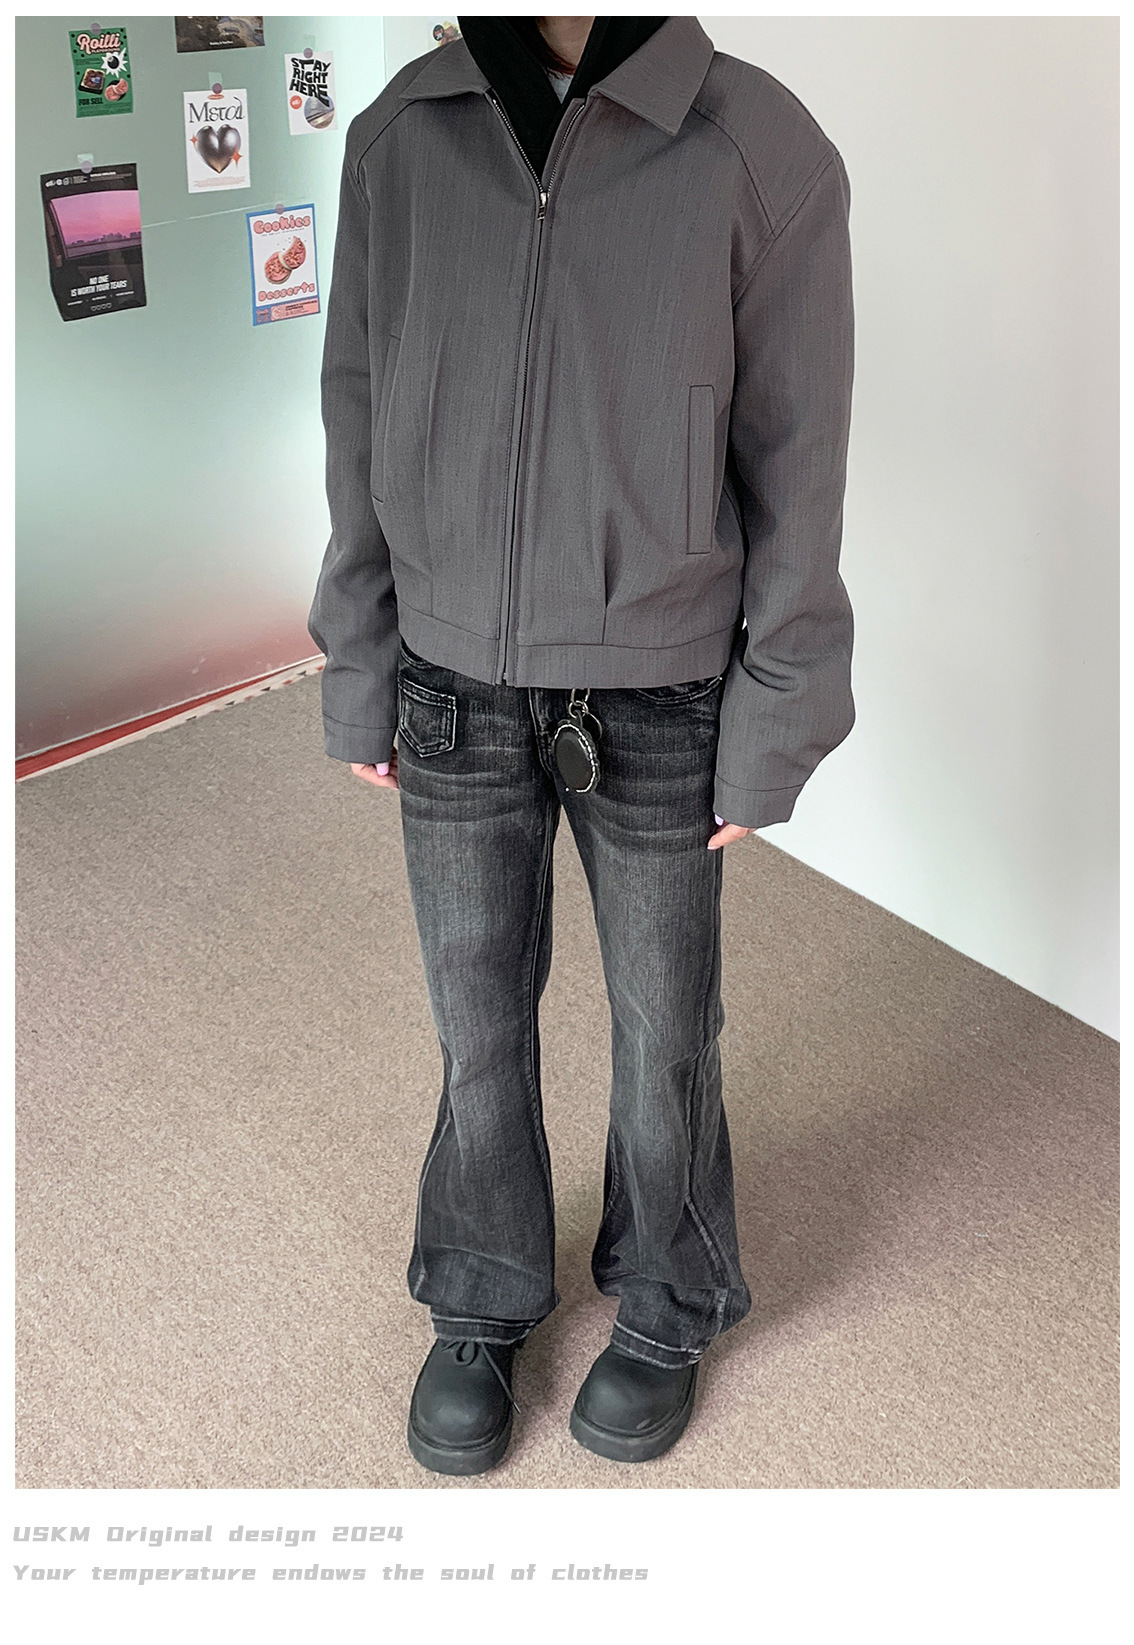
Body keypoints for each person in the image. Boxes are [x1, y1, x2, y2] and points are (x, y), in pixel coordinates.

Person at [308, 15, 855, 1475]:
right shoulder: (401, 135)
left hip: (662, 688)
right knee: (475, 1017)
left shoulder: (757, 146)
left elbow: (800, 452)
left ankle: (671, 1291)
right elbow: (357, 408)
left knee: (665, 1025)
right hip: (452, 681)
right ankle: (480, 1289)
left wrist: (778, 708)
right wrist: (361, 653)